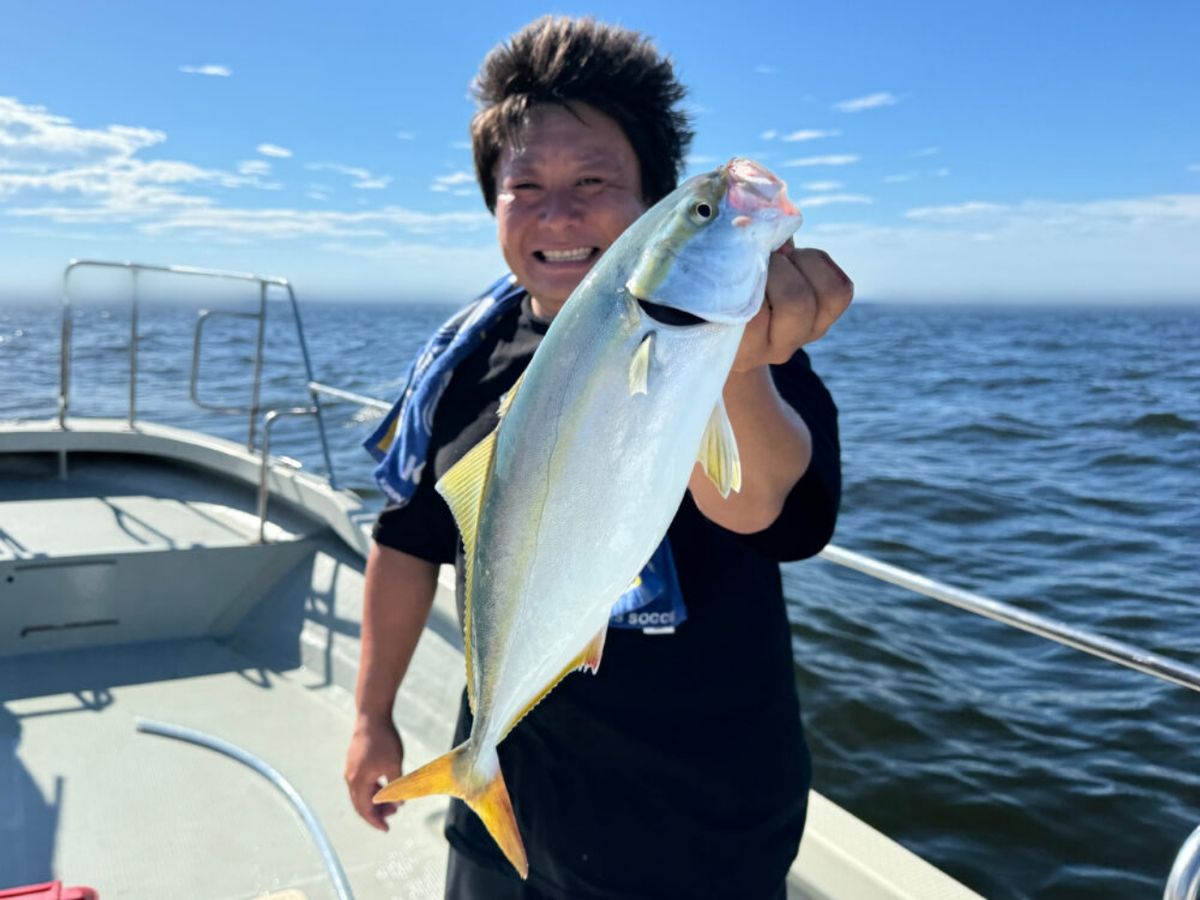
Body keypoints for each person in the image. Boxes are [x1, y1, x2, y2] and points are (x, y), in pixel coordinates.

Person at [345, 16, 852, 900]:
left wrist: (735, 365)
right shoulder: (465, 364)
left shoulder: (740, 354)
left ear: (651, 207)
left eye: (593, 180)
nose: (559, 213)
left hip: (699, 831)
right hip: (507, 805)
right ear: (492, 205)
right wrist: (369, 716)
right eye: (523, 186)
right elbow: (408, 540)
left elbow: (762, 508)